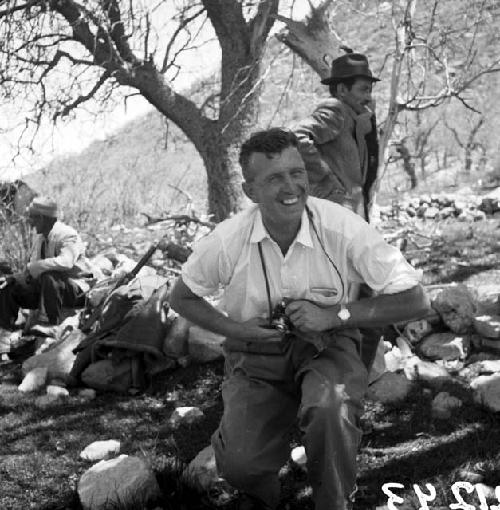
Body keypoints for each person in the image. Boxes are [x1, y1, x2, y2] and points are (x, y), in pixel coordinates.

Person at [169, 128, 430, 510]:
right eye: (274, 178)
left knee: (329, 409)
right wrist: (237, 330)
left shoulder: (340, 225)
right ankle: (264, 495)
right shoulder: (227, 240)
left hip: (329, 345)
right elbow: (182, 297)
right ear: (250, 191)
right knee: (238, 463)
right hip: (255, 354)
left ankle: (334, 501)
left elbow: (417, 299)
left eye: (297, 173)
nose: (291, 186)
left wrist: (334, 315)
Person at [292, 51, 380, 221]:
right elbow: (297, 136)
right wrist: (327, 180)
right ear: (342, 90)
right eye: (363, 90)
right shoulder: (336, 109)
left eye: (370, 91)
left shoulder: (353, 116)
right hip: (337, 208)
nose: (368, 97)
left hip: (351, 207)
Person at [0, 196, 94, 332]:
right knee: (8, 286)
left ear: (42, 218)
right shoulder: (41, 238)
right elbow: (31, 270)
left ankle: (48, 325)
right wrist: (15, 278)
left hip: (75, 291)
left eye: (32, 217)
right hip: (47, 289)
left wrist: (36, 267)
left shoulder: (67, 235)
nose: (30, 222)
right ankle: (4, 334)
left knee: (50, 275)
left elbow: (66, 262)